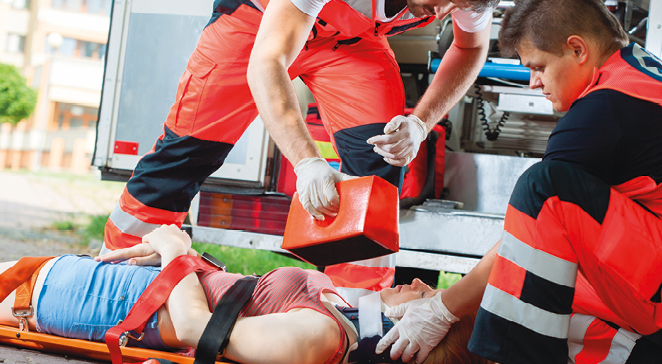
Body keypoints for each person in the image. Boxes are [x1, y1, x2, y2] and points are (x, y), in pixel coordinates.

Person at [375, 0, 662, 364]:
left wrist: (444, 309)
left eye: (538, 67)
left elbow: (535, 224)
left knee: (542, 189)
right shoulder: (638, 75)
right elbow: (532, 245)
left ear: (577, 49)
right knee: (551, 272)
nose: (532, 83)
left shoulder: (604, 110)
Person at [101, 0, 499, 290]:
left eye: (458, 4)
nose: (445, 11)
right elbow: (268, 61)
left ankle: (353, 308)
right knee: (187, 152)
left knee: (377, 165)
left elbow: (470, 47)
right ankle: (118, 274)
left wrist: (419, 122)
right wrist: (307, 162)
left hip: (350, 42)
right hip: (256, 24)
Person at [0, 225, 497, 364]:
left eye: (436, 302)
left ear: (421, 339)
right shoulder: (346, 319)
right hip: (120, 289)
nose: (426, 290)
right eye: (435, 293)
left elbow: (195, 331)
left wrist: (174, 252)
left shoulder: (320, 339)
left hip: (105, 303)